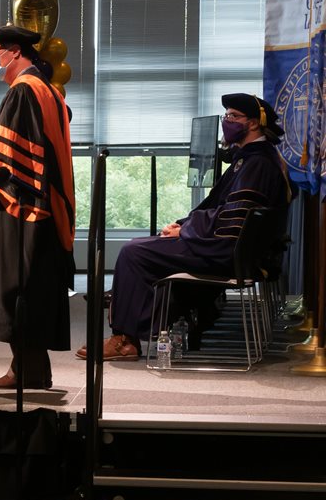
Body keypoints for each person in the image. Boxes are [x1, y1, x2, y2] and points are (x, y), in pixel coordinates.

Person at [86, 93, 293, 361]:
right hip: (234, 249)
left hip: (228, 252)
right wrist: (184, 224)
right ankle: (143, 327)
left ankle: (125, 340)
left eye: (233, 116)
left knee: (133, 252)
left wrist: (186, 230)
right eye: (226, 116)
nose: (226, 122)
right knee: (142, 249)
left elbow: (235, 218)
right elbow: (218, 208)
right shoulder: (253, 158)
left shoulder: (258, 163)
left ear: (253, 124)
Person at [0, 25, 76, 389]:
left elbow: (11, 158)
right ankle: (29, 372)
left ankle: (27, 372)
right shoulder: (45, 89)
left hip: (22, 209)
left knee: (18, 290)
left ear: (13, 52)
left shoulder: (25, 90)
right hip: (43, 205)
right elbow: (19, 143)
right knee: (30, 290)